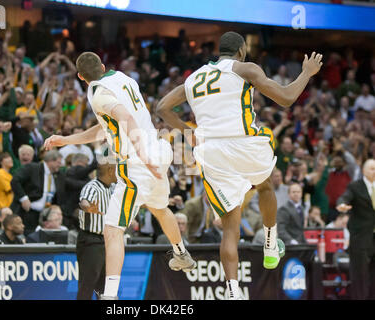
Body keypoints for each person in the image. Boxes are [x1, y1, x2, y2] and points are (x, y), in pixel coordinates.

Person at [156, 31, 323, 299]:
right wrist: (306, 73)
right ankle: (270, 242)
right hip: (243, 142)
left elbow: (162, 107)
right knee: (266, 184)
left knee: (230, 225)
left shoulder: (195, 77)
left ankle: (233, 293)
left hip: (210, 151)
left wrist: (190, 132)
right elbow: (286, 98)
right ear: (242, 50)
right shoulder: (244, 68)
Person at [44, 51, 196, 300]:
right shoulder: (124, 79)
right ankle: (180, 252)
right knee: (160, 209)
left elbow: (124, 118)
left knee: (112, 231)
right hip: (158, 149)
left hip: (138, 161)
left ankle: (110, 296)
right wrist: (66, 140)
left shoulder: (97, 93)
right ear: (103, 66)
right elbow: (108, 126)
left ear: (81, 77)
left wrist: (142, 155)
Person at [76, 160, 116, 300]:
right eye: (117, 168)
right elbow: (84, 201)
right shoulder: (92, 187)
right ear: (110, 170)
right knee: (88, 283)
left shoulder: (112, 187)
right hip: (91, 241)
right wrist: (88, 207)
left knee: (105, 286)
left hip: (107, 241)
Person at [336, 158, 375, 299]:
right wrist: (342, 204)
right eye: (372, 168)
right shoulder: (355, 186)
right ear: (364, 171)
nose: (374, 171)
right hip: (361, 238)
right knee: (360, 276)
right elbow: (345, 197)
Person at [10, 150, 65, 235]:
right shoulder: (33, 168)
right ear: (50, 161)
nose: (60, 165)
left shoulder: (57, 175)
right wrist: (23, 198)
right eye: (58, 162)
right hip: (26, 212)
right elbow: (15, 181)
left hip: (43, 215)